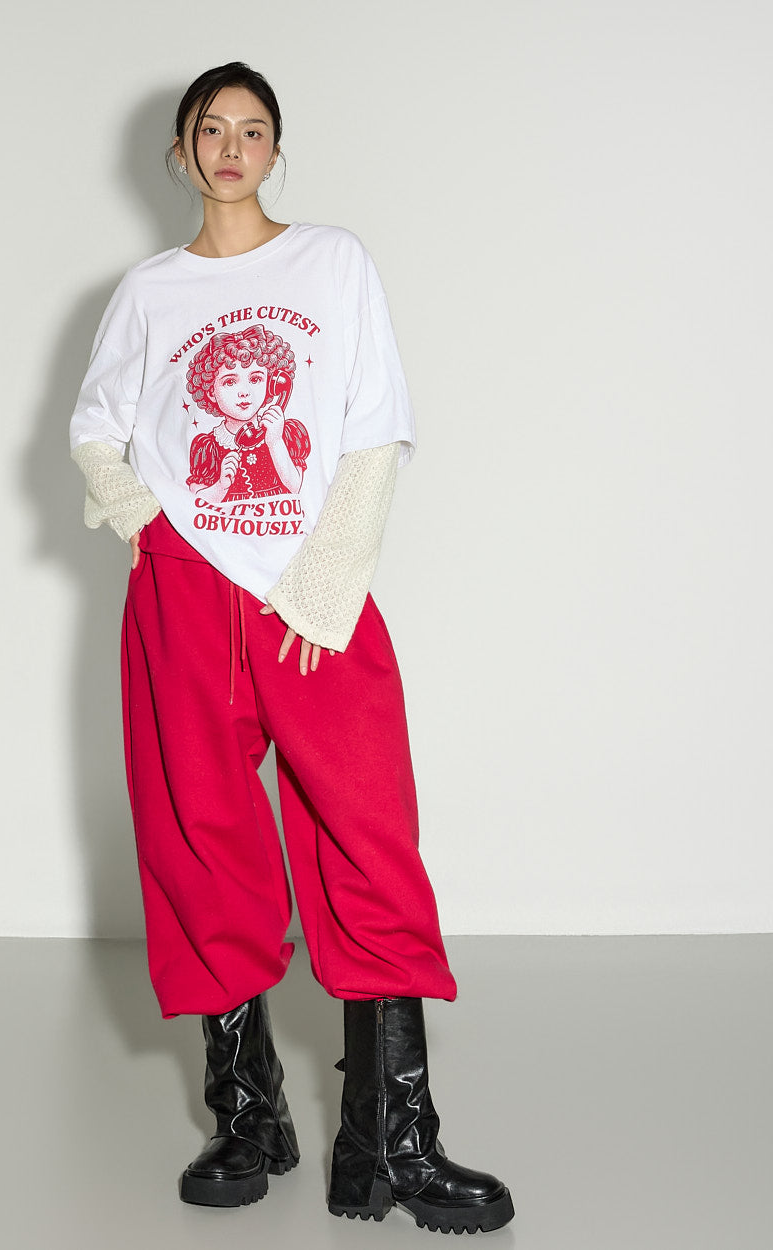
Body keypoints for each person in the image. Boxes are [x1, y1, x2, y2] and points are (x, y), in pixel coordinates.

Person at [68, 62, 515, 1236]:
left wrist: (323, 588)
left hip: (306, 592)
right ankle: (248, 1109)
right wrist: (150, 524)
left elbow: (373, 426)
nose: (230, 146)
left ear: (275, 150)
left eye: (252, 129)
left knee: (368, 836)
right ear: (180, 153)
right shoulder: (149, 291)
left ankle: (390, 1135)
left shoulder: (332, 262)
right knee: (199, 839)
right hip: (183, 595)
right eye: (209, 129)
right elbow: (96, 428)